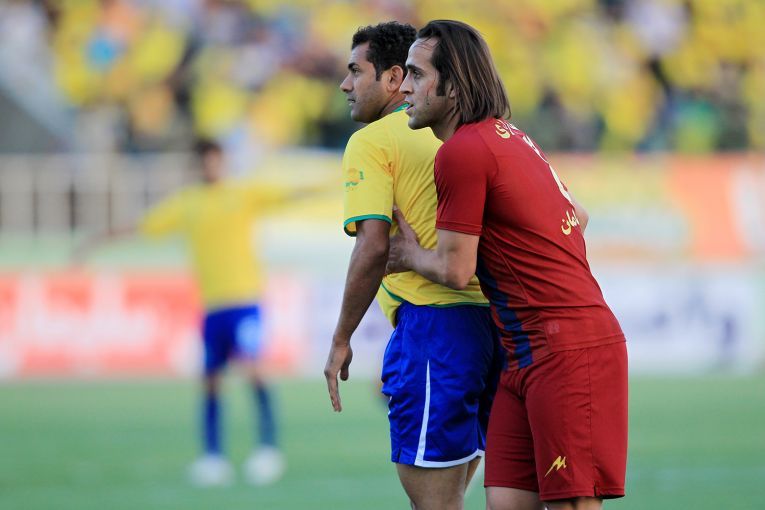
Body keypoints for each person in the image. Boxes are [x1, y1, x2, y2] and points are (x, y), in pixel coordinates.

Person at [388, 20, 628, 510]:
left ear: (453, 85)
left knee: (571, 504)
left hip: (564, 350)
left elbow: (456, 270)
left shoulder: (462, 151)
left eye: (416, 73)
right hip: (525, 353)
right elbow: (578, 216)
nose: (403, 87)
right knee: (507, 503)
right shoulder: (511, 136)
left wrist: (405, 254)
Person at [323, 22, 500, 510]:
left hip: (436, 331)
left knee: (436, 505)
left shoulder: (374, 141)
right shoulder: (468, 131)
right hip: (497, 326)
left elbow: (373, 246)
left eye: (356, 71)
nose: (345, 84)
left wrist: (341, 338)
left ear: (393, 77)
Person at [78, 139, 294, 487]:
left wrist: (342, 180)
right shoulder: (187, 204)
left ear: (223, 162)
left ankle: (268, 450)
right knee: (211, 383)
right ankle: (213, 457)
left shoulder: (243, 194)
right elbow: (142, 226)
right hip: (212, 308)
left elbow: (290, 194)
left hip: (245, 302)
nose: (211, 167)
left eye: (215, 160)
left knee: (255, 371)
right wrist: (96, 241)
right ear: (198, 165)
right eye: (205, 161)